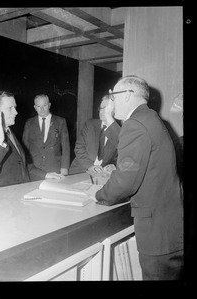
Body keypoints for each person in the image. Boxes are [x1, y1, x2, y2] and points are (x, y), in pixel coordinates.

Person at [85, 75, 183, 280]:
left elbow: (124, 182)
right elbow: (128, 144)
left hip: (158, 234)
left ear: (128, 95)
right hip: (169, 228)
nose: (111, 101)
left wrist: (98, 194)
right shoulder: (148, 118)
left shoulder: (136, 124)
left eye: (114, 95)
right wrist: (111, 120)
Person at [0, 90, 63, 191]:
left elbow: (20, 164)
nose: (16, 112)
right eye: (10, 108)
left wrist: (45, 175)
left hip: (16, 193)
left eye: (15, 107)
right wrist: (0, 145)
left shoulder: (7, 130)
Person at [69, 95, 121, 175]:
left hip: (102, 175)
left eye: (106, 108)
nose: (102, 112)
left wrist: (114, 165)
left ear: (115, 110)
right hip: (80, 171)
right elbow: (79, 148)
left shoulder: (118, 132)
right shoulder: (90, 125)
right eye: (101, 108)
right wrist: (90, 166)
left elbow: (122, 155)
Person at [22, 94, 70, 175]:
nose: (42, 109)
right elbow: (25, 147)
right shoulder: (29, 123)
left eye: (44, 105)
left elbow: (66, 147)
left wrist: (64, 167)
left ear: (49, 105)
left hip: (54, 168)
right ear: (35, 107)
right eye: (38, 106)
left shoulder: (60, 122)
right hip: (35, 169)